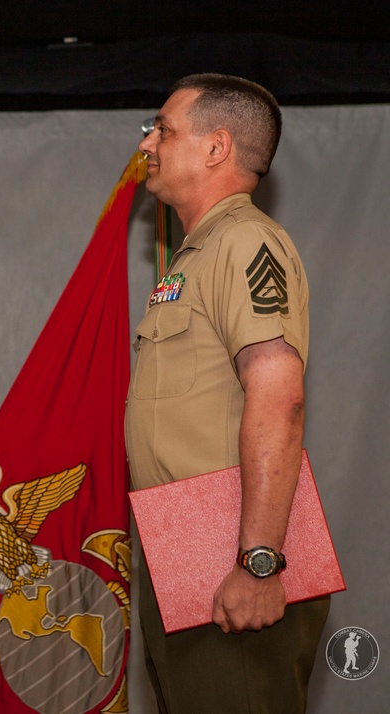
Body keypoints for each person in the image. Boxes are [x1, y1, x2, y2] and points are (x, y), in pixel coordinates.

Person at [125, 74, 330, 713]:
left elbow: (279, 397)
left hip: (229, 548)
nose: (149, 141)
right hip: (182, 544)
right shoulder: (196, 255)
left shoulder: (245, 242)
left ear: (216, 148)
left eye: (164, 127)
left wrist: (259, 561)